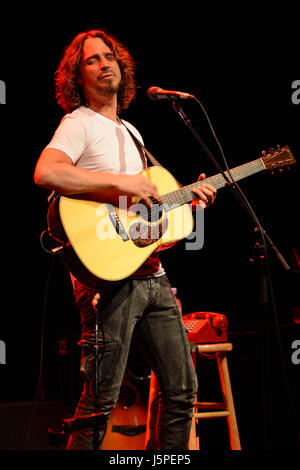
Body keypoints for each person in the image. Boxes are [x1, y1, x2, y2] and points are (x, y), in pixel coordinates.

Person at [34, 29, 217, 450]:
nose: (105, 64)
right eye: (92, 60)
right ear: (76, 77)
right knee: (101, 401)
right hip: (106, 283)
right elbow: (47, 173)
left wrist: (186, 204)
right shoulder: (78, 123)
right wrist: (124, 183)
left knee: (181, 391)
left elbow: (139, 222)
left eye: (110, 56)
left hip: (152, 276)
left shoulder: (133, 132)